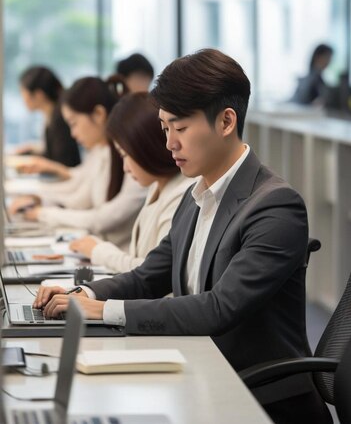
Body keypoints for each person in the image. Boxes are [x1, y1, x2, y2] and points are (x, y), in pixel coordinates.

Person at [34, 49, 332, 424]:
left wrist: (104, 311)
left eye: (181, 128)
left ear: (226, 122)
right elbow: (149, 275)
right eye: (164, 128)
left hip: (260, 402)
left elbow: (219, 307)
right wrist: (86, 295)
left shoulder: (275, 207)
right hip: (203, 378)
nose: (169, 143)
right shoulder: (196, 196)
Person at [10, 76, 146, 247]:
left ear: (98, 114)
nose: (73, 134)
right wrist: (39, 198)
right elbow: (80, 192)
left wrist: (42, 211)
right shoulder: (101, 151)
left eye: (74, 124)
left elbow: (101, 218)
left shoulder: (132, 160)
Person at [69, 92, 194, 272]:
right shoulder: (157, 186)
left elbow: (151, 273)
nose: (126, 168)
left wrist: (99, 251)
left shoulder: (181, 195)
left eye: (126, 156)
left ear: (147, 147)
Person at [15, 65, 81, 169]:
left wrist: (36, 161)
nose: (23, 99)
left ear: (39, 94)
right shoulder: (51, 114)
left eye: (23, 93)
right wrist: (33, 150)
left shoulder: (60, 118)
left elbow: (64, 162)